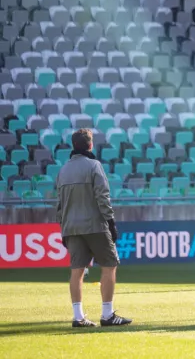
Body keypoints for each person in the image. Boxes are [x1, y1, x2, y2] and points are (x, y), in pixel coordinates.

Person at [57, 129, 131, 327]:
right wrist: (111, 222)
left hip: (71, 227)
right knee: (109, 265)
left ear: (74, 146)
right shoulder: (94, 166)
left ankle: (78, 317)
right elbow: (102, 197)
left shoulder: (63, 170)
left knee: (77, 271)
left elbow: (60, 204)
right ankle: (107, 314)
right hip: (95, 225)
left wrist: (63, 228)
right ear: (90, 145)